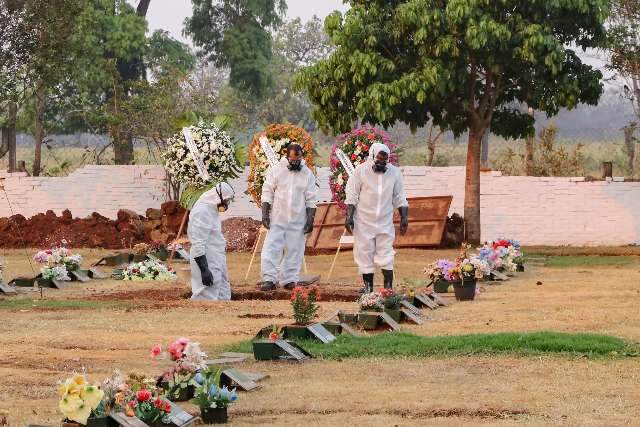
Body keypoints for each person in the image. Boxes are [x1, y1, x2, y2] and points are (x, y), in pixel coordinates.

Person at [345, 142, 409, 292]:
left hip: (385, 222)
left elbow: (400, 197)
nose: (381, 163)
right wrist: (349, 217)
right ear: (372, 156)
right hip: (363, 221)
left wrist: (404, 217)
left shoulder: (394, 173)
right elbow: (352, 195)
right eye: (378, 160)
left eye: (384, 161)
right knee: (364, 253)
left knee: (386, 253)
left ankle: (388, 288)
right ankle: (368, 289)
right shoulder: (361, 171)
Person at [259, 144, 317, 291]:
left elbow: (311, 199)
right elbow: (267, 192)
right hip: (278, 218)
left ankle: (289, 280)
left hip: (298, 220)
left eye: (298, 159)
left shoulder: (307, 174)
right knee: (271, 248)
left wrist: (310, 220)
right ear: (287, 157)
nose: (295, 162)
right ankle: (269, 279)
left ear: (302, 157)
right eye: (292, 159)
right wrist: (265, 214)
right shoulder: (276, 170)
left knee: (295, 250)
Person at [187, 182, 235, 301]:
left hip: (216, 255)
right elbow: (198, 241)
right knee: (206, 294)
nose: (226, 204)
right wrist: (204, 269)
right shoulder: (202, 211)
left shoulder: (211, 208)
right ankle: (203, 318)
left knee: (222, 292)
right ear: (219, 196)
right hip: (206, 257)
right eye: (226, 200)